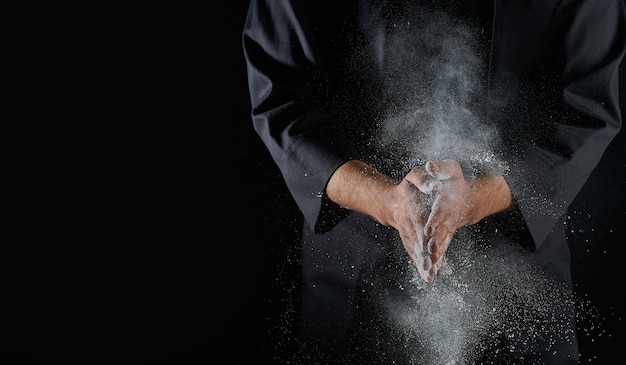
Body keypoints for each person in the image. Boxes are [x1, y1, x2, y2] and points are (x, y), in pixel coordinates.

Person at [242, 0, 626, 363]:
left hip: (517, 270)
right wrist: (384, 199)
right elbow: (281, 96)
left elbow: (587, 105)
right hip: (354, 268)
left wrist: (478, 197)